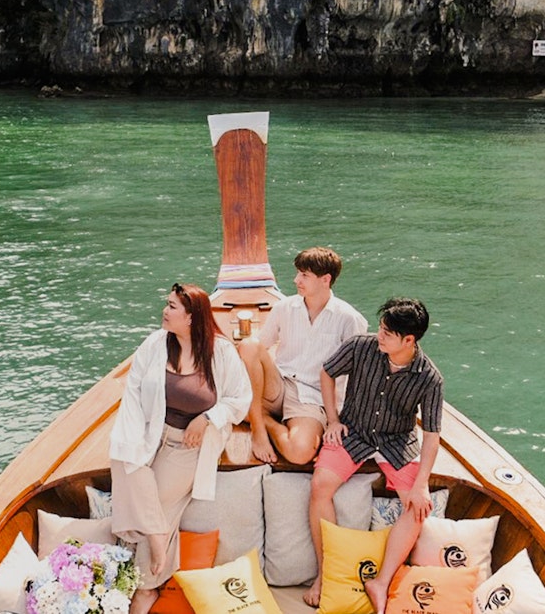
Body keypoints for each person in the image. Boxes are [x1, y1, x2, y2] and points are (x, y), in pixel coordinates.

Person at [109, 282, 252, 614]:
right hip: (150, 435)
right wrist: (130, 440)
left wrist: (207, 418)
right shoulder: (156, 344)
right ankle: (159, 537)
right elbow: (132, 391)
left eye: (172, 306)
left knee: (155, 502)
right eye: (167, 304)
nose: (165, 310)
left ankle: (147, 587)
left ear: (191, 317)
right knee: (122, 457)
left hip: (187, 447)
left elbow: (240, 401)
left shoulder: (221, 352)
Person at [304, 298, 444, 613]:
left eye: (388, 333)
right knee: (320, 485)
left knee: (419, 507)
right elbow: (326, 373)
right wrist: (333, 420)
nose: (379, 336)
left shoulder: (430, 378)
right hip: (353, 431)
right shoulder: (360, 346)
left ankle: (380, 582)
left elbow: (432, 435)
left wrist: (422, 484)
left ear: (409, 340)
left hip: (397, 442)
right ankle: (324, 575)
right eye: (381, 328)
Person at [237, 246, 368, 464]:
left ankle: (262, 419)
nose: (297, 280)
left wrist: (337, 420)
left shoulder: (349, 319)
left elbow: (358, 375)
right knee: (249, 345)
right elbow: (260, 346)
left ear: (325, 280)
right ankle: (258, 429)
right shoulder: (284, 307)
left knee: (300, 453)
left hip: (313, 397)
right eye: (298, 273)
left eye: (304, 275)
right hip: (278, 383)